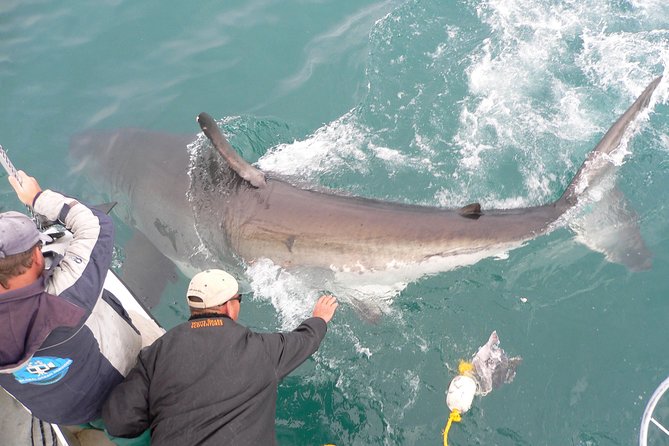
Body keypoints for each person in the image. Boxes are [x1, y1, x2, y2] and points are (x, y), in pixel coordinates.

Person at [102, 268, 338, 445]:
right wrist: (319, 318)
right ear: (228, 307)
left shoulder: (157, 352)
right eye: (239, 299)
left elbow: (118, 421)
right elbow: (307, 340)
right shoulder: (261, 349)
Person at [0, 171, 142, 427]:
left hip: (56, 412)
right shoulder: (66, 299)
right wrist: (38, 198)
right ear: (36, 257)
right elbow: (96, 225)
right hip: (116, 389)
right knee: (129, 426)